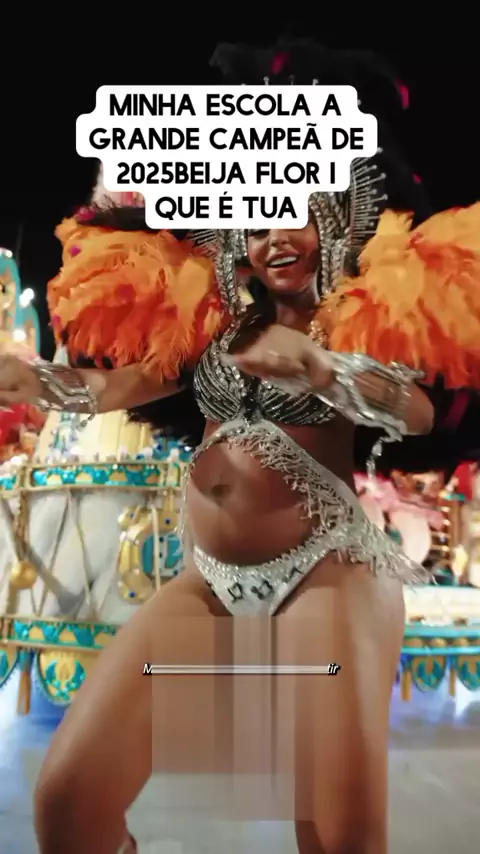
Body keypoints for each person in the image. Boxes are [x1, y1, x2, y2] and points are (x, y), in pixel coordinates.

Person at [1, 40, 480, 854]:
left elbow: (419, 411)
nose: (272, 238)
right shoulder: (217, 328)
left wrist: (325, 370)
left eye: (293, 209)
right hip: (210, 584)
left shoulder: (365, 315)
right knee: (70, 806)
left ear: (338, 210)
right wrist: (32, 381)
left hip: (328, 578)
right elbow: (104, 391)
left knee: (335, 841)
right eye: (253, 222)